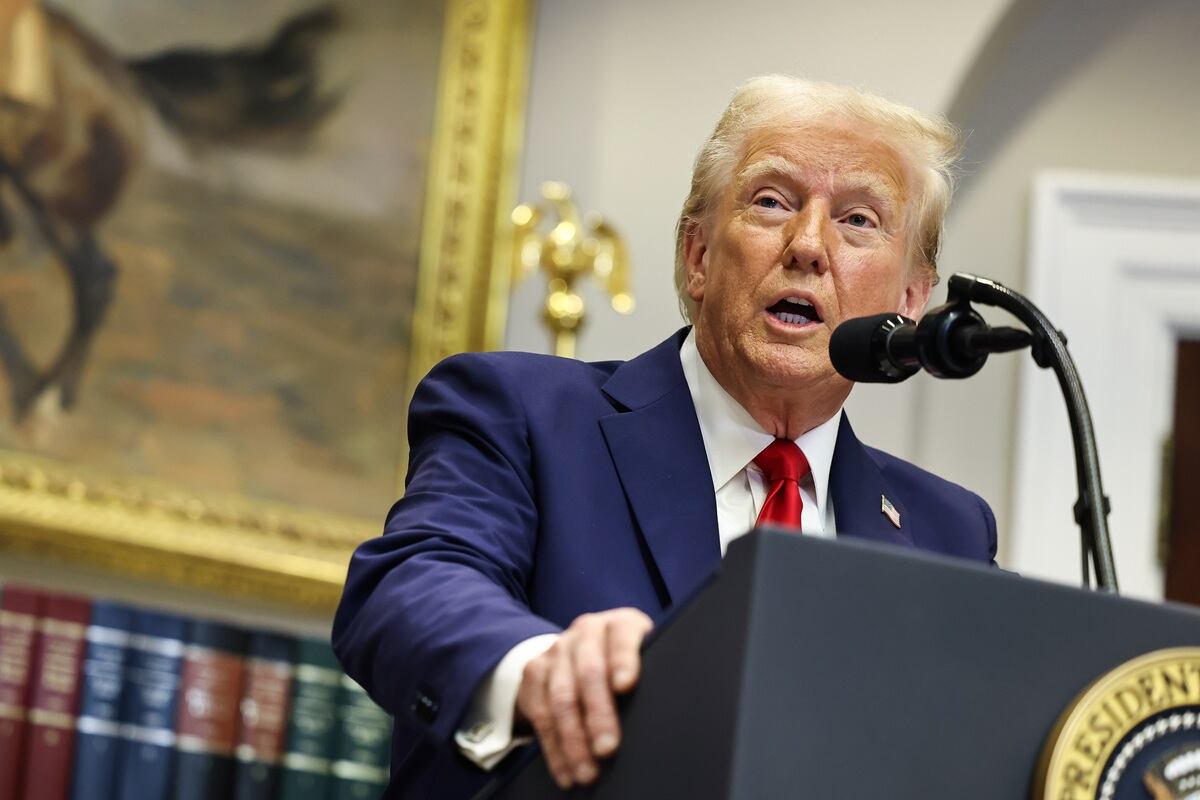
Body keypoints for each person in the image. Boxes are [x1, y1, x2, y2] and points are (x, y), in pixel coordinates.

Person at [332, 75, 997, 799]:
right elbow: (409, 586)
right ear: (699, 255)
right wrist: (537, 670)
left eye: (859, 220)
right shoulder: (521, 415)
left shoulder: (949, 533)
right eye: (771, 202)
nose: (808, 244)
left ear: (909, 301)